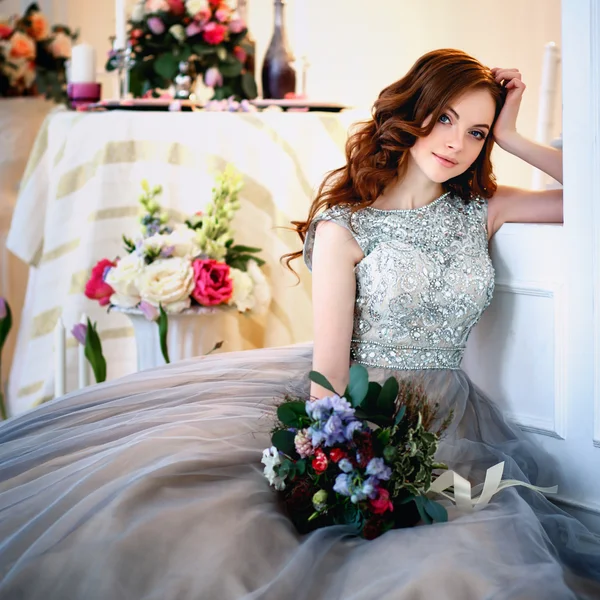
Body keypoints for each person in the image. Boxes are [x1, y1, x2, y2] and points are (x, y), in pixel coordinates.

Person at [0, 49, 599, 600]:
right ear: (412, 113)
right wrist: (337, 456)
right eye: (444, 118)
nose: (457, 144)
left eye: (476, 132)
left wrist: (513, 134)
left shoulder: (482, 210)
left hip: (455, 416)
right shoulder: (347, 226)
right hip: (361, 407)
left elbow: (591, 194)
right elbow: (330, 372)